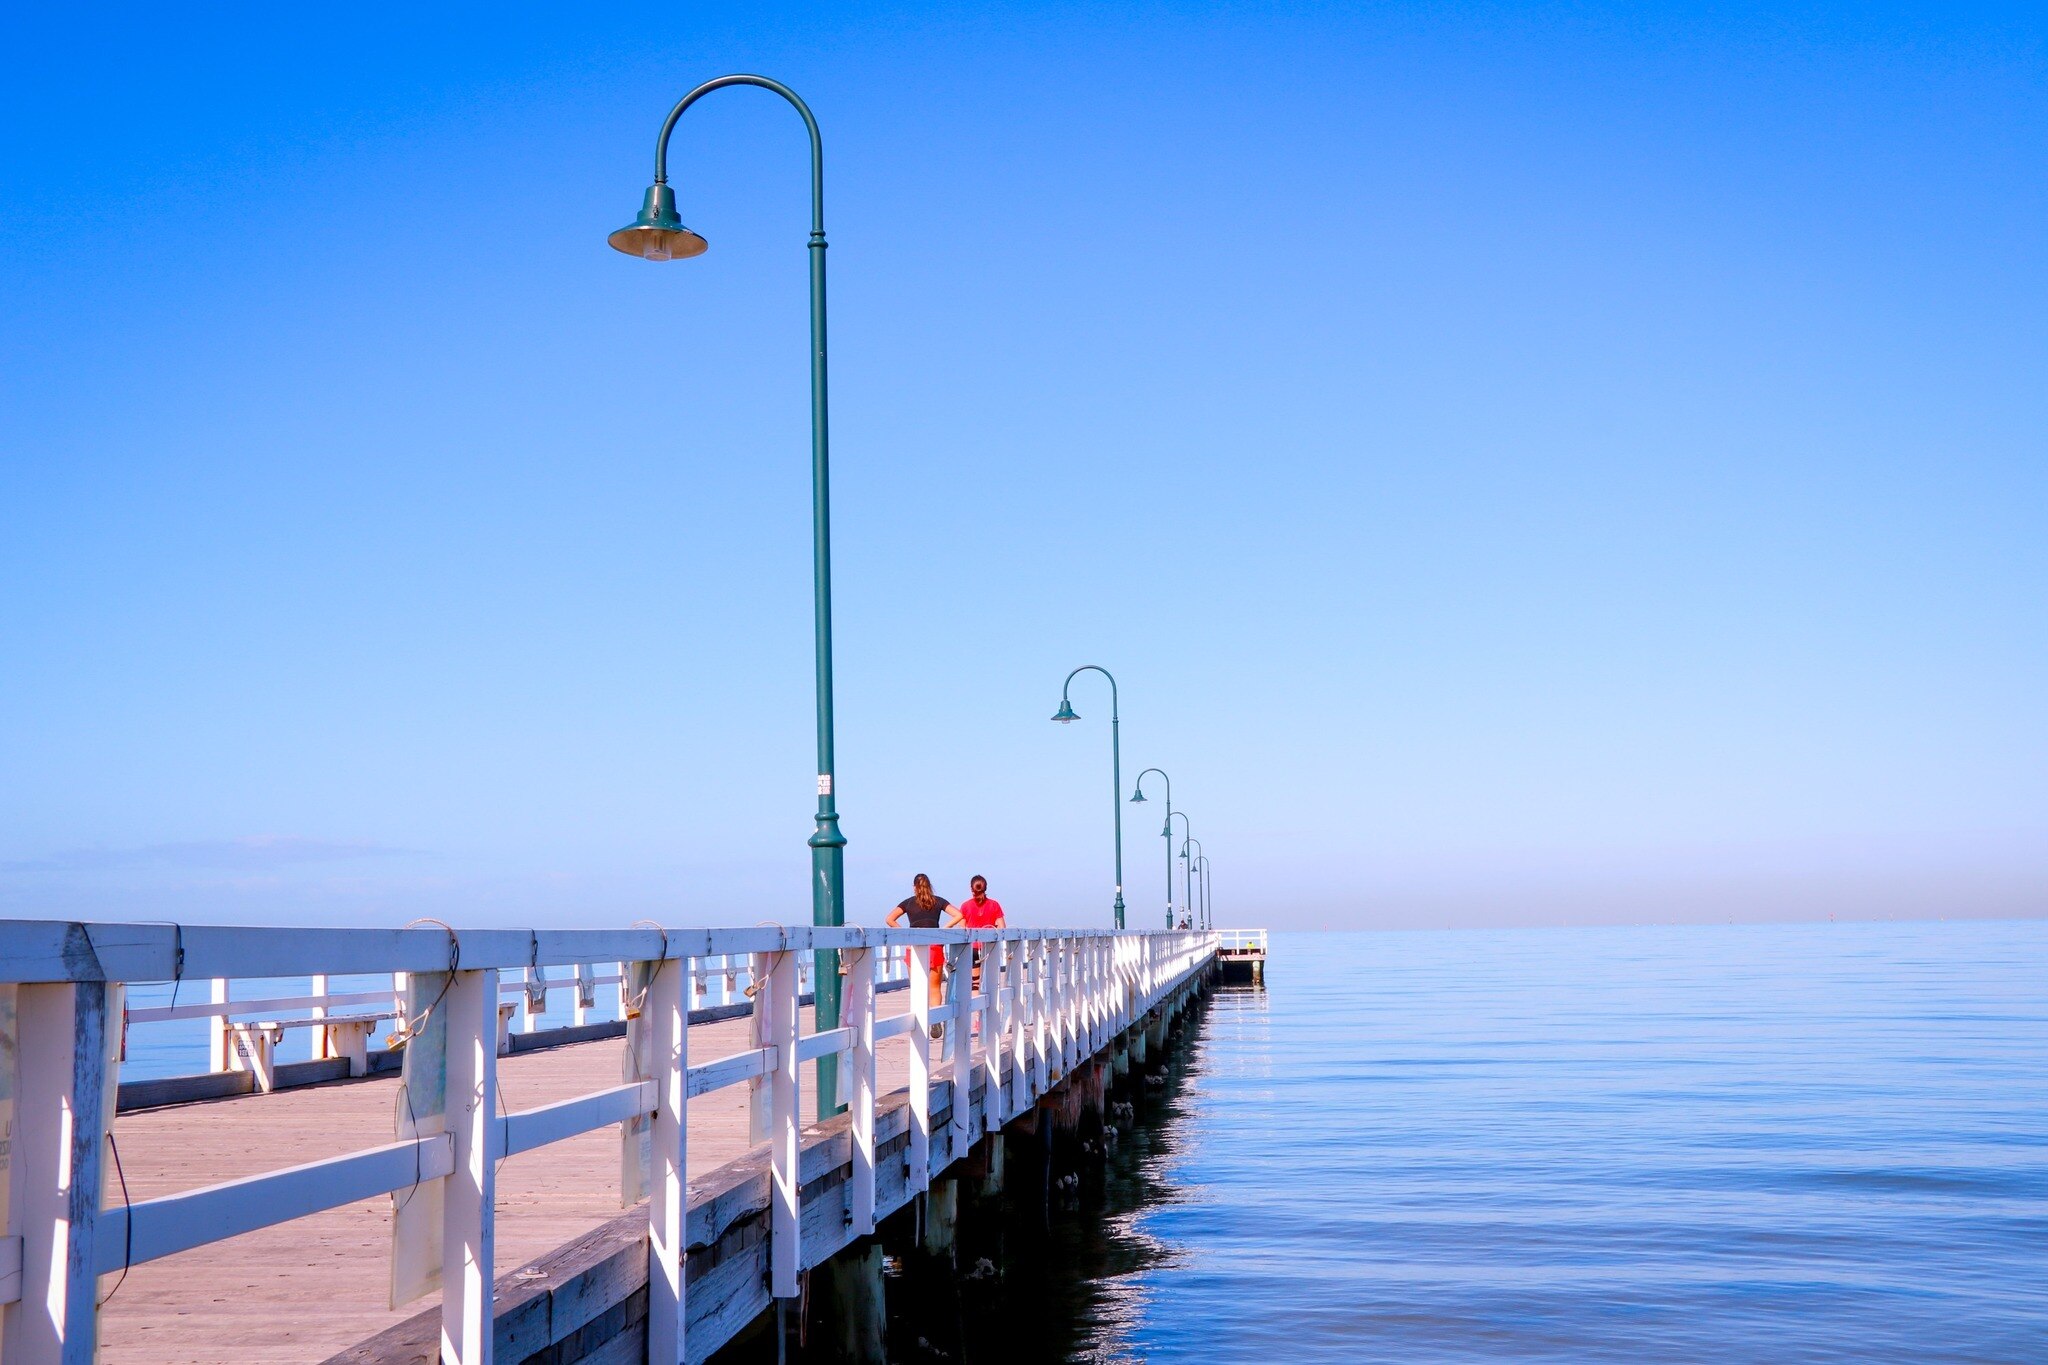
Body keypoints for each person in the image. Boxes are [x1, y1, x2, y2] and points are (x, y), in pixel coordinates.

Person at [885, 873, 958, 1024]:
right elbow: (959, 915)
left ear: (914, 887)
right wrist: (944, 928)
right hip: (935, 946)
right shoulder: (938, 901)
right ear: (929, 886)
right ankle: (936, 1020)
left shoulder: (908, 903)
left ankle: (919, 1021)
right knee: (934, 988)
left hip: (914, 948)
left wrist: (906, 933)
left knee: (917, 987)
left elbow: (889, 919)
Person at [957, 875, 1005, 994]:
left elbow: (962, 927)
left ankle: (977, 1010)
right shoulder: (994, 905)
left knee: (975, 982)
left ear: (971, 888)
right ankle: (990, 1009)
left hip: (973, 947)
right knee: (991, 980)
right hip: (989, 947)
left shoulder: (965, 906)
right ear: (986, 888)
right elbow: (1002, 927)